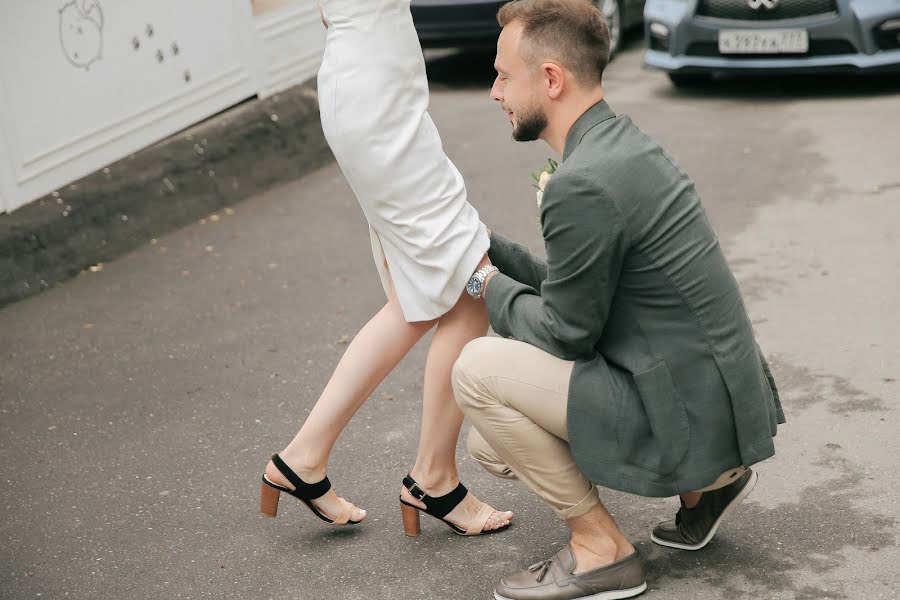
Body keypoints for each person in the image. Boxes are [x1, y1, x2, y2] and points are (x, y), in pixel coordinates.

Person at [451, 0, 785, 598]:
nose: (493, 91)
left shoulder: (581, 182)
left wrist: (483, 284)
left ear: (550, 78)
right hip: (715, 393)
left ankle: (600, 549)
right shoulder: (620, 143)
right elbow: (586, 287)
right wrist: (485, 246)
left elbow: (566, 330)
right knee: (487, 438)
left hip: (686, 411)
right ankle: (706, 488)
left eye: (503, 74)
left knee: (476, 373)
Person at [258, 0, 512, 536]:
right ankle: (434, 479)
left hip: (369, 84)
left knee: (420, 295)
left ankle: (304, 459)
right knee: (468, 281)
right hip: (376, 93)